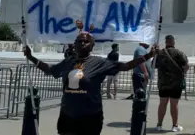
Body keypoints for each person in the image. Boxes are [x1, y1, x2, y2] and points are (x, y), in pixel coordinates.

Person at [23, 32, 159, 135]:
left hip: (90, 117)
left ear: (92, 46)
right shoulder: (68, 63)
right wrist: (31, 57)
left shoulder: (99, 63)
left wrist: (148, 56)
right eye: (79, 41)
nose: (82, 44)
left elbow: (125, 66)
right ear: (74, 44)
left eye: (86, 42)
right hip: (68, 116)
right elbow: (50, 70)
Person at [155, 35, 189, 132]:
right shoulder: (178, 53)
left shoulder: (160, 53)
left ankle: (159, 125)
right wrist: (182, 73)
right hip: (175, 83)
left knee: (162, 103)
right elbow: (186, 66)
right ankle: (175, 126)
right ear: (173, 42)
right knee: (174, 104)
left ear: (166, 42)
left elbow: (154, 65)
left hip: (162, 83)